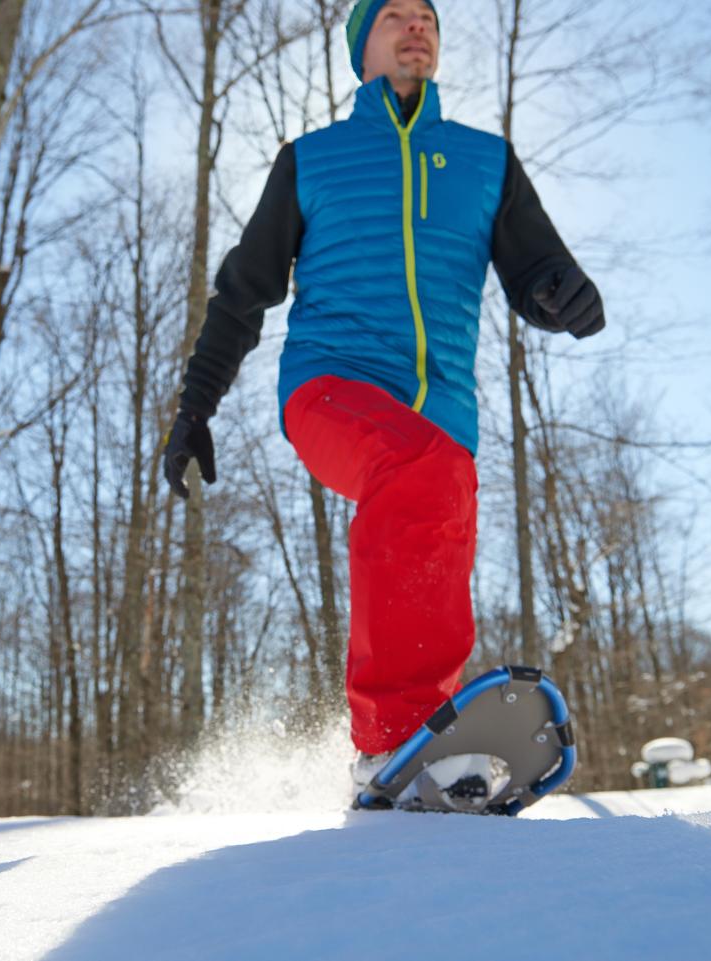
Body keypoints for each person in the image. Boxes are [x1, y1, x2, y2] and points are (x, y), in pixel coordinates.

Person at [162, 0, 604, 795]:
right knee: (418, 470)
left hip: (444, 422)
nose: (416, 26)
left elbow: (536, 270)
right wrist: (196, 405)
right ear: (359, 44)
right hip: (330, 389)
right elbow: (242, 292)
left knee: (433, 538)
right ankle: (390, 736)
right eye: (395, 14)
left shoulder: (484, 161)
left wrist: (560, 298)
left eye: (427, 16)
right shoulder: (313, 159)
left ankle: (428, 753)